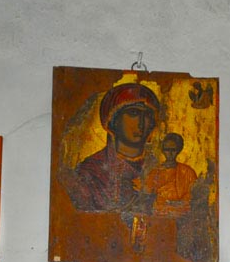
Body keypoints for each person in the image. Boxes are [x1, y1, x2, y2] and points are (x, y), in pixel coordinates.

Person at [60, 82, 161, 213]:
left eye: (147, 115)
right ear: (113, 120)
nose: (141, 123)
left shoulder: (159, 169)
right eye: (133, 113)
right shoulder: (91, 173)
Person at [143, 133, 199, 215]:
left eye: (173, 150)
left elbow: (193, 197)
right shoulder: (155, 172)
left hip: (182, 214)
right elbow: (148, 196)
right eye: (167, 149)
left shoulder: (188, 172)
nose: (170, 153)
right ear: (163, 151)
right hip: (159, 214)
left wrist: (176, 204)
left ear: (178, 150)